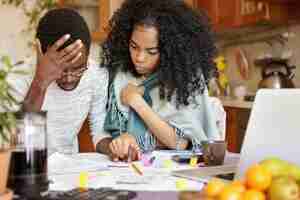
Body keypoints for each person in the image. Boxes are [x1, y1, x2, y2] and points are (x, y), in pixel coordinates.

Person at [95, 0, 221, 161]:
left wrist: (136, 102)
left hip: (174, 170)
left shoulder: (184, 78)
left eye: (151, 51)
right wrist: (120, 144)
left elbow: (181, 143)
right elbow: (111, 134)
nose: (139, 58)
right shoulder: (120, 74)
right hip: (132, 170)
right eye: (134, 46)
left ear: (170, 50)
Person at [15, 8, 109, 155]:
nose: (69, 78)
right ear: (40, 53)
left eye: (78, 69)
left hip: (68, 169)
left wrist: (114, 148)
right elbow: (17, 146)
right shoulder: (19, 77)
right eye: (62, 69)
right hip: (31, 170)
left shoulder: (96, 75)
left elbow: (100, 132)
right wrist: (40, 83)